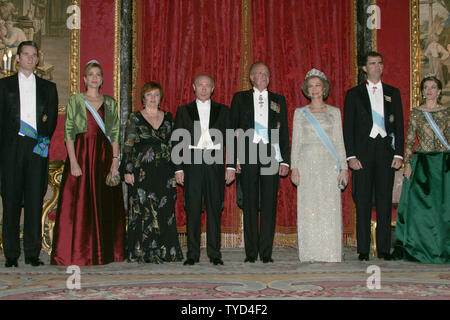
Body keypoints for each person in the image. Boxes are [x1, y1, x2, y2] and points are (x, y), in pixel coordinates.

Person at [51, 60, 125, 266]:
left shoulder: (110, 103)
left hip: (103, 157)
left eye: (98, 74)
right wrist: (73, 162)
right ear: (84, 79)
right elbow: (69, 133)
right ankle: (77, 253)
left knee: (103, 203)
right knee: (80, 204)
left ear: (102, 79)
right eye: (90, 74)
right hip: (82, 156)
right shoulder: (76, 101)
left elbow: (115, 134)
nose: (94, 77)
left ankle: (103, 252)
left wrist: (115, 162)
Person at [0, 40, 58, 267]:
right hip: (11, 150)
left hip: (37, 148)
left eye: (34, 55)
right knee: (11, 199)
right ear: (17, 58)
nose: (30, 58)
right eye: (26, 54)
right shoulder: (3, 86)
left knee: (35, 199)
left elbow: (51, 121)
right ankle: (11, 253)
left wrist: (42, 147)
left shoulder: (48, 87)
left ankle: (33, 252)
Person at [343, 51, 404, 261]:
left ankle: (385, 249)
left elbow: (400, 126)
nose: (377, 67)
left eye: (379, 63)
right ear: (364, 68)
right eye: (372, 63)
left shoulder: (393, 92)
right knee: (362, 201)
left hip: (386, 152)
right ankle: (363, 249)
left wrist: (399, 153)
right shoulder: (354, 94)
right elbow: (348, 128)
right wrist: (350, 156)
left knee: (384, 201)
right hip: (362, 153)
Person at [172, 73, 235, 266]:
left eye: (208, 85)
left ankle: (215, 254)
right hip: (192, 165)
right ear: (193, 86)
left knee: (214, 209)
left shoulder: (223, 111)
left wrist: (231, 165)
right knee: (192, 209)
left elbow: (231, 139)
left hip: (215, 165)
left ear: (213, 88)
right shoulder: (183, 111)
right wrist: (178, 169)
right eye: (200, 85)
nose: (204, 88)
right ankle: (192, 254)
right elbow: (176, 140)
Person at [230, 62, 290, 263]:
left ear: (269, 78)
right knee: (249, 204)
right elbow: (233, 130)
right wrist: (234, 159)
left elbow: (283, 133)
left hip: (271, 154)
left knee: (269, 204)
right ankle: (250, 253)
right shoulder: (240, 98)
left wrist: (285, 161)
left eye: (266, 73)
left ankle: (266, 253)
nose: (262, 76)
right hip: (247, 153)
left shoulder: (279, 100)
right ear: (251, 78)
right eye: (258, 73)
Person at [120, 81, 183, 263]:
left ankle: (166, 252)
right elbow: (128, 146)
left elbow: (175, 145)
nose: (153, 98)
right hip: (141, 173)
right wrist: (128, 170)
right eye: (149, 95)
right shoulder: (135, 118)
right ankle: (141, 252)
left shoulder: (169, 117)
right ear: (143, 98)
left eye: (156, 95)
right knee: (143, 211)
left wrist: (178, 169)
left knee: (165, 211)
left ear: (160, 98)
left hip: (165, 172)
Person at [291, 69, 348, 262]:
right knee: (309, 208)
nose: (314, 89)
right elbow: (296, 142)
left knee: (328, 207)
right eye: (311, 86)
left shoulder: (335, 112)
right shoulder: (300, 113)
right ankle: (310, 252)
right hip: (306, 164)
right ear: (306, 89)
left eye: (318, 85)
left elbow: (339, 141)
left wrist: (344, 168)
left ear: (324, 88)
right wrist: (294, 167)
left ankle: (330, 252)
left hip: (328, 165)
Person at [392, 74, 449, 264]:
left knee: (443, 209)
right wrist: (407, 163)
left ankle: (443, 248)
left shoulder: (447, 112)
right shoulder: (417, 112)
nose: (429, 91)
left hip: (443, 164)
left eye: (433, 87)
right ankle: (420, 248)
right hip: (423, 163)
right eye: (426, 87)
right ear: (423, 92)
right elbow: (409, 140)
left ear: (439, 91)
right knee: (421, 210)